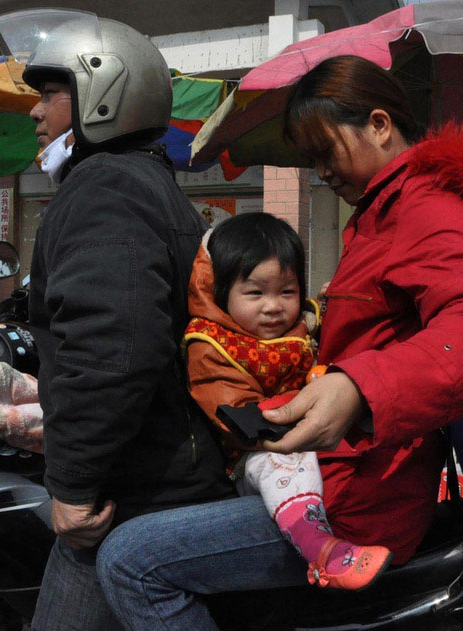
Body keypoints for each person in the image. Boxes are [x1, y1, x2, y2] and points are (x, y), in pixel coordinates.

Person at [97, 54, 463, 630]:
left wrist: (358, 388)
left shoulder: (423, 206)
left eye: (326, 151)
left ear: (379, 124)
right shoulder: (379, 212)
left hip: (354, 506)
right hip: (340, 474)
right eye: (312, 160)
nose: (322, 171)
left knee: (129, 561)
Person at [0, 9, 233, 630]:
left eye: (50, 94)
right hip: (166, 472)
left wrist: (72, 485)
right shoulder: (148, 183)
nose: (34, 112)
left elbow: (111, 351)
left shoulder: (103, 187)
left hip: (130, 496)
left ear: (103, 93)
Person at [182, 212, 392, 591]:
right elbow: (236, 414)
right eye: (255, 293)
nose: (274, 307)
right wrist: (301, 407)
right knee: (281, 460)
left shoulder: (297, 327)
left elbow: (317, 332)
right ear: (219, 291)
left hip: (301, 430)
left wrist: (328, 309)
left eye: (287, 291)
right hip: (254, 450)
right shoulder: (211, 344)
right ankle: (320, 549)